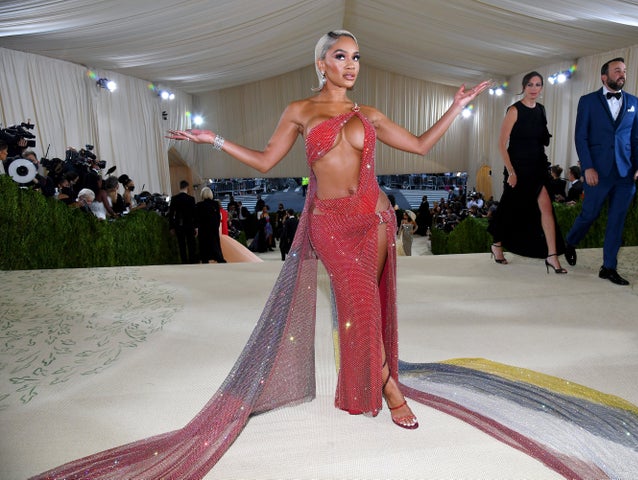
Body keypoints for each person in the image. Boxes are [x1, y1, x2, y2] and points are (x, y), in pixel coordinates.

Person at [36, 30, 489, 478]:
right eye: (340, 55)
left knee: (365, 306)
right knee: (359, 304)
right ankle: (389, 387)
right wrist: (215, 141)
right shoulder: (300, 111)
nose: (350, 65)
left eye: (356, 57)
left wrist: (455, 108)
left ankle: (375, 381)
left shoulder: (368, 113)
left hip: (373, 217)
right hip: (332, 223)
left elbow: (420, 145)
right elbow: (265, 161)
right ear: (321, 63)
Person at [565, 57, 638, 285]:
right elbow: (580, 136)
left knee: (617, 220)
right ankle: (570, 241)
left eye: (624, 71)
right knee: (589, 215)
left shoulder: (633, 101)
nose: (622, 74)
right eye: (617, 71)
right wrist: (587, 167)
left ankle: (608, 267)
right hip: (597, 172)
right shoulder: (588, 101)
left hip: (625, 174)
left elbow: (637, 138)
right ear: (604, 76)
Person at [487, 71, 567, 273]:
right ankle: (497, 244)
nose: (534, 88)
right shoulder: (514, 110)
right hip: (518, 168)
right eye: (530, 84)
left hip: (538, 166)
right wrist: (511, 172)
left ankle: (552, 256)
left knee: (546, 208)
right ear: (524, 87)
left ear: (541, 88)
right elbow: (501, 145)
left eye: (538, 84)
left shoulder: (541, 110)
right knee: (511, 208)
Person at [167, 180, 198, 264]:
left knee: (182, 245)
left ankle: (184, 261)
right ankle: (192, 261)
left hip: (179, 225)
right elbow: (194, 214)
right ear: (187, 188)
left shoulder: (174, 198)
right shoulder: (191, 199)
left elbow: (171, 214)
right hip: (189, 225)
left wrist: (171, 227)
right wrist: (196, 227)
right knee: (191, 244)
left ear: (180, 187)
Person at [195, 187, 226, 263]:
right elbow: (218, 217)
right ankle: (219, 258)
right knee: (215, 244)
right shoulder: (215, 204)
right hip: (213, 228)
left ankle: (205, 259)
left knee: (204, 245)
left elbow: (197, 218)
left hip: (203, 229)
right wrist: (217, 226)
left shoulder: (199, 205)